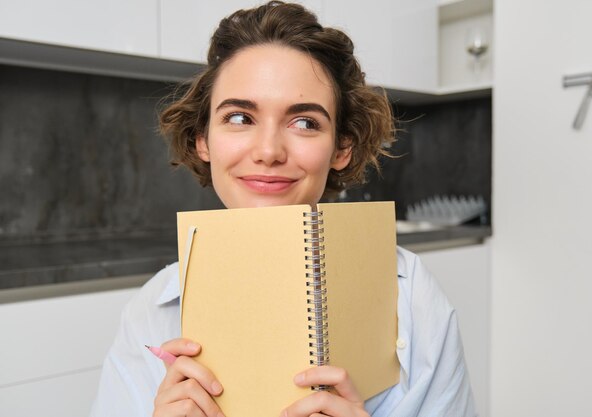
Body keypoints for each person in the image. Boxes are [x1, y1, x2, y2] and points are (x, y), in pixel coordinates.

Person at [90, 2, 476, 416]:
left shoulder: (414, 299)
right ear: (203, 139)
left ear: (341, 147)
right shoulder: (150, 313)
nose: (269, 151)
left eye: (305, 122)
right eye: (239, 117)